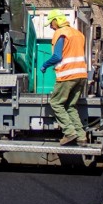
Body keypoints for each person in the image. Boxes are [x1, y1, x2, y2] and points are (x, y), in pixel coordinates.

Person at [40, 10, 89, 146]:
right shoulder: (78, 34)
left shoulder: (61, 34)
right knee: (70, 106)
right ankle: (81, 137)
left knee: (56, 102)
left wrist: (45, 65)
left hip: (67, 75)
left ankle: (69, 132)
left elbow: (57, 56)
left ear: (56, 20)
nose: (51, 26)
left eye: (51, 23)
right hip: (81, 75)